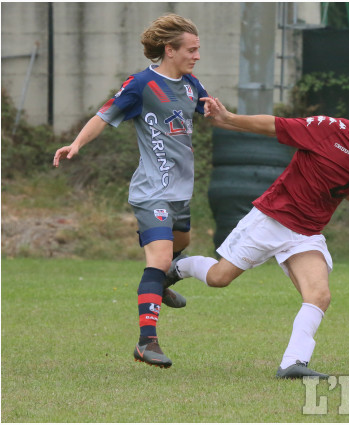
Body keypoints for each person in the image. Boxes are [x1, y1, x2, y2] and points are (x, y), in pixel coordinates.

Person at [164, 97, 349, 378]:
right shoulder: (327, 129)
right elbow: (274, 126)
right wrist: (229, 119)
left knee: (319, 295)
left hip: (306, 235)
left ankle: (293, 363)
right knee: (219, 278)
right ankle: (176, 268)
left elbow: (346, 188)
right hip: (272, 219)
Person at [52, 14, 225, 368]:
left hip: (180, 191)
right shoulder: (141, 84)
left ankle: (158, 283)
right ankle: (147, 341)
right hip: (151, 190)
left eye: (197, 50)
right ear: (170, 50)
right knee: (160, 259)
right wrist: (76, 144)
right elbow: (104, 114)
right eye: (191, 50)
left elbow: (212, 113)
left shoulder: (193, 85)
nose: (196, 55)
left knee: (182, 244)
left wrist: (223, 113)